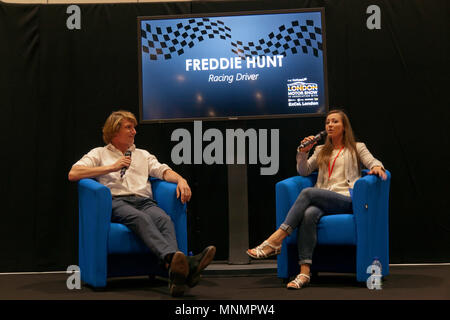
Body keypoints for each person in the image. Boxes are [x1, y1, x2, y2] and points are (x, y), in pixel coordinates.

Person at [68, 110, 216, 297]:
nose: (134, 132)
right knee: (140, 219)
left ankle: (177, 273)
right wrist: (111, 167)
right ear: (114, 131)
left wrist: (181, 180)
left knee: (164, 219)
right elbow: (73, 174)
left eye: (134, 128)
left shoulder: (143, 155)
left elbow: (163, 171)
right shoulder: (99, 153)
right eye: (128, 128)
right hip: (116, 202)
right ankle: (180, 262)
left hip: (144, 201)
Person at [246, 109, 387, 289]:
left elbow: (372, 161)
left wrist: (377, 167)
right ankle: (304, 273)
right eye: (327, 122)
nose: (330, 125)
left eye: (335, 122)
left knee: (307, 193)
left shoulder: (357, 147)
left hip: (345, 199)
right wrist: (303, 153)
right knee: (308, 214)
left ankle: (276, 239)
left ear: (344, 127)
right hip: (323, 199)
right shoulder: (321, 149)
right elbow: (304, 171)